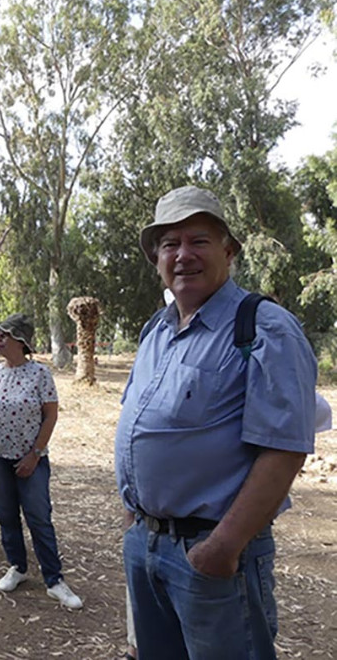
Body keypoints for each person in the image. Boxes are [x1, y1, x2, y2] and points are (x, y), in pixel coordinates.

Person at [115, 185, 317, 659]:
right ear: (157, 259)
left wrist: (222, 548)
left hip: (211, 556)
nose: (183, 254)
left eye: (198, 240)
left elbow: (285, 449)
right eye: (170, 244)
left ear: (228, 250)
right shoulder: (156, 331)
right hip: (146, 546)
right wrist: (134, 521)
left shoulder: (264, 327)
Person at [0, 314, 83, 609]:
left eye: (4, 335)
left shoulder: (40, 374)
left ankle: (54, 580)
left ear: (21, 342)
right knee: (6, 514)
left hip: (31, 457)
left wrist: (35, 454)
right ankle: (17, 566)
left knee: (38, 516)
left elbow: (50, 415)